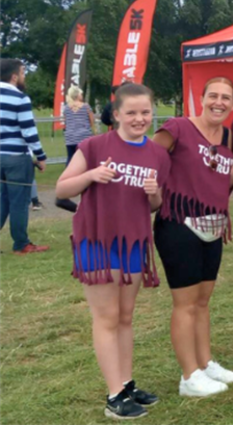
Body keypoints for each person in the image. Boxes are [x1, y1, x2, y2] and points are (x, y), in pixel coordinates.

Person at [55, 83, 170, 419]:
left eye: (145, 112)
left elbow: (154, 205)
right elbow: (62, 188)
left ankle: (126, 383)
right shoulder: (94, 146)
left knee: (125, 317)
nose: (139, 119)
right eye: (131, 112)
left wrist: (154, 195)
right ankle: (114, 396)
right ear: (116, 113)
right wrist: (91, 174)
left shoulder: (157, 154)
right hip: (96, 241)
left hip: (133, 241)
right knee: (106, 318)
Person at [150, 77, 233, 397]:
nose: (219, 102)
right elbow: (147, 157)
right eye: (213, 96)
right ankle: (188, 376)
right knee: (186, 304)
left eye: (226, 98)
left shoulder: (228, 136)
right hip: (178, 224)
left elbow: (220, 183)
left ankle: (205, 364)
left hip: (213, 226)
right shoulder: (177, 127)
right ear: (201, 98)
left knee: (203, 302)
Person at [0, 58, 48, 254]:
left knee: (2, 199)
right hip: (16, 157)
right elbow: (28, 131)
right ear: (13, 77)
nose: (24, 76)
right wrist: (40, 155)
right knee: (19, 201)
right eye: (22, 72)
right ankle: (21, 244)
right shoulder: (20, 99)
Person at [63, 85, 95, 167]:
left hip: (70, 136)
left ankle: (68, 174)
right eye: (81, 94)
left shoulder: (66, 108)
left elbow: (66, 122)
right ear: (77, 95)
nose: (82, 95)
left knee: (70, 157)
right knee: (84, 157)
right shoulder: (86, 106)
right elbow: (92, 121)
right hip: (83, 136)